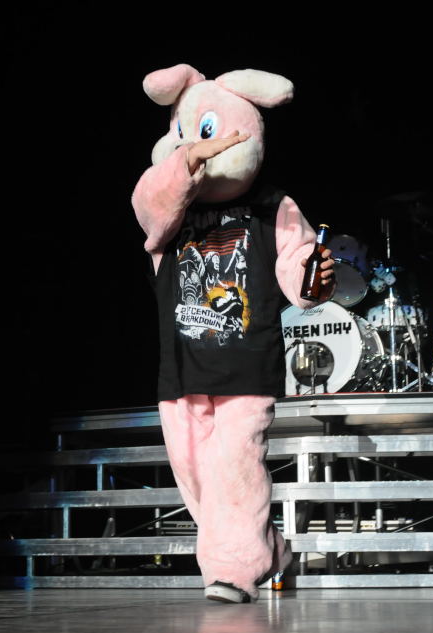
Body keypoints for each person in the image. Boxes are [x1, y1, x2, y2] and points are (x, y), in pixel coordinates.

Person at [132, 65, 334, 603]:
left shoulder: (272, 207)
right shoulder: (170, 218)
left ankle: (232, 572)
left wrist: (312, 276)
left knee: (235, 469)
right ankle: (273, 550)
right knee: (199, 482)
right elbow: (147, 203)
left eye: (209, 132)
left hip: (247, 366)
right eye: (185, 134)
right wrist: (186, 160)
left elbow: (297, 263)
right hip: (181, 373)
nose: (200, 147)